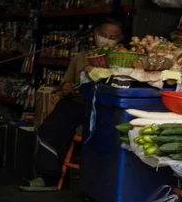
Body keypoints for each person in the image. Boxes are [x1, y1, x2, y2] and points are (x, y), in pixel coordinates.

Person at [22, 17, 125, 192]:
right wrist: (66, 87)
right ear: (95, 34)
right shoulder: (81, 57)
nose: (106, 39)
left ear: (120, 39)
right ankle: (48, 177)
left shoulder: (123, 58)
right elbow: (65, 83)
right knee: (50, 127)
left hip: (105, 106)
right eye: (103, 34)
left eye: (112, 37)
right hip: (78, 103)